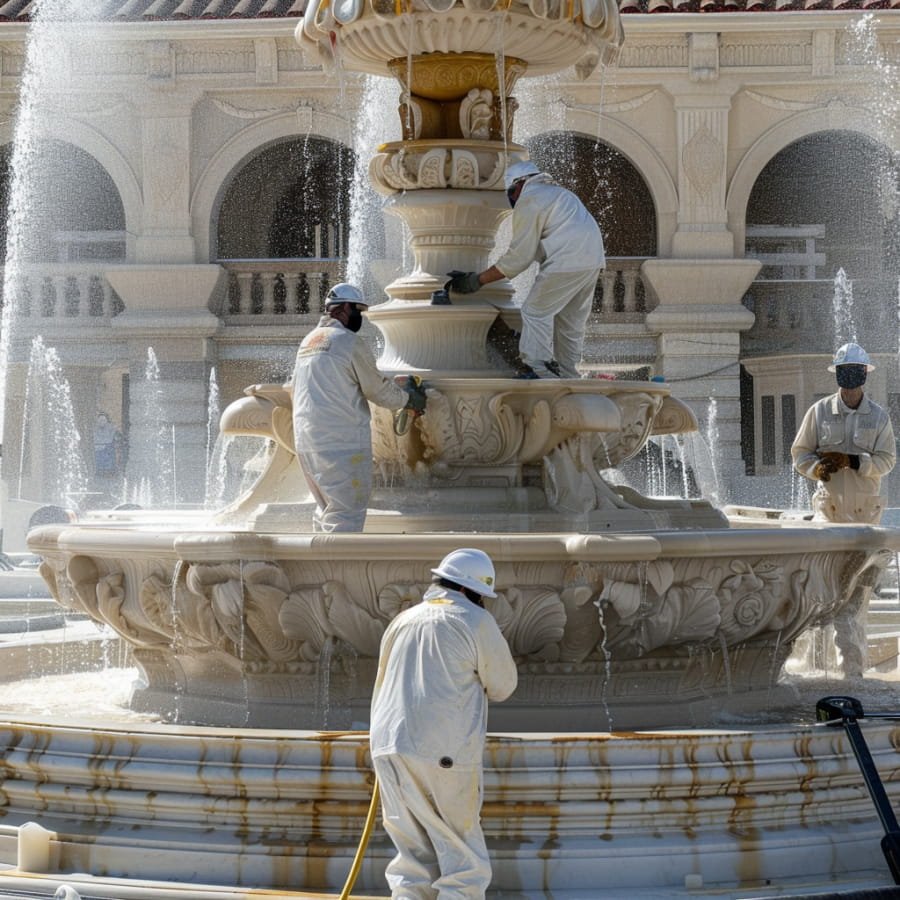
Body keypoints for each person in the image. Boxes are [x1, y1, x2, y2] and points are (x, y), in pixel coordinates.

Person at [369, 548, 518, 899]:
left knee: (411, 860)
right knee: (463, 861)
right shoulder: (473, 619)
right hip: (442, 753)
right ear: (471, 591)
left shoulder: (402, 620)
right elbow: (503, 686)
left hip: (388, 748)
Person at [447, 160, 605, 380]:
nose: (512, 200)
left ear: (520, 184)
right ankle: (568, 375)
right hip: (592, 261)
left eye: (511, 193)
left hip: (567, 260)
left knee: (534, 311)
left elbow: (519, 258)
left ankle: (538, 368)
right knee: (569, 321)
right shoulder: (559, 194)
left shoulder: (531, 198)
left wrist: (478, 280)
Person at [291, 282, 426, 532]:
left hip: (308, 443)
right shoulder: (347, 341)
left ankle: (320, 567)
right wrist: (408, 399)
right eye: (358, 311)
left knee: (324, 514)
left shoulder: (309, 342)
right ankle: (338, 570)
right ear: (343, 309)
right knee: (345, 518)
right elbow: (377, 390)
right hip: (340, 444)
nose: (359, 317)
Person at [791, 342, 895, 524]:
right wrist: (816, 468)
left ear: (864, 374)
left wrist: (853, 461)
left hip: (865, 511)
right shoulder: (819, 411)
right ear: (837, 374)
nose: (849, 380)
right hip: (828, 510)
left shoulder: (879, 417)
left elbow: (887, 460)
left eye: (853, 372)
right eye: (844, 373)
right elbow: (800, 453)